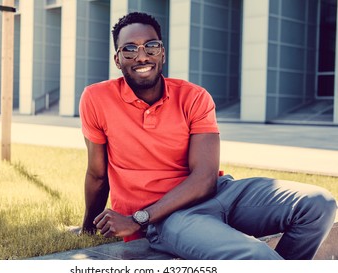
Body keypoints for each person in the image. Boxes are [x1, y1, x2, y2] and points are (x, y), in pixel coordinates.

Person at [78, 12, 337, 260]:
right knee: (256, 255)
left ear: (163, 53)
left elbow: (205, 179)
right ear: (117, 59)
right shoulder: (97, 99)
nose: (142, 56)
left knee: (319, 204)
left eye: (151, 46)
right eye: (130, 49)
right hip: (168, 219)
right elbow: (98, 174)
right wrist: (88, 227)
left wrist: (136, 219)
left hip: (220, 195)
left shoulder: (193, 96)